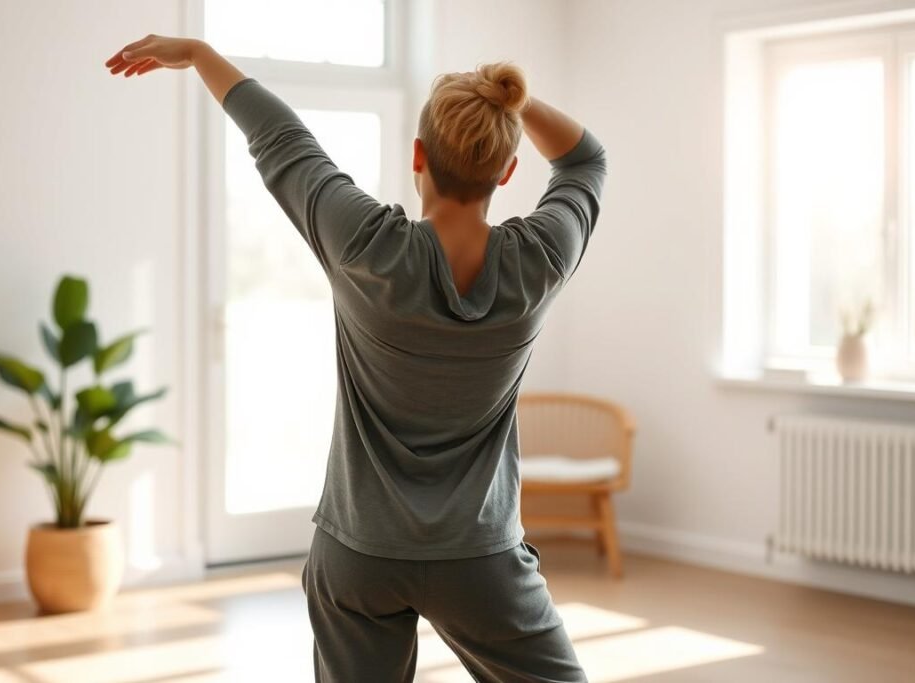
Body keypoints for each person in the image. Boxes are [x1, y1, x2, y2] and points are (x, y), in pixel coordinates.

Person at [107, 34, 605, 683]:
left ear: (418, 156)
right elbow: (584, 162)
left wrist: (200, 53)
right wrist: (507, 102)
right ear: (508, 169)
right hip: (479, 558)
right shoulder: (538, 259)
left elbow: (281, 140)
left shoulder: (366, 245)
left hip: (357, 557)